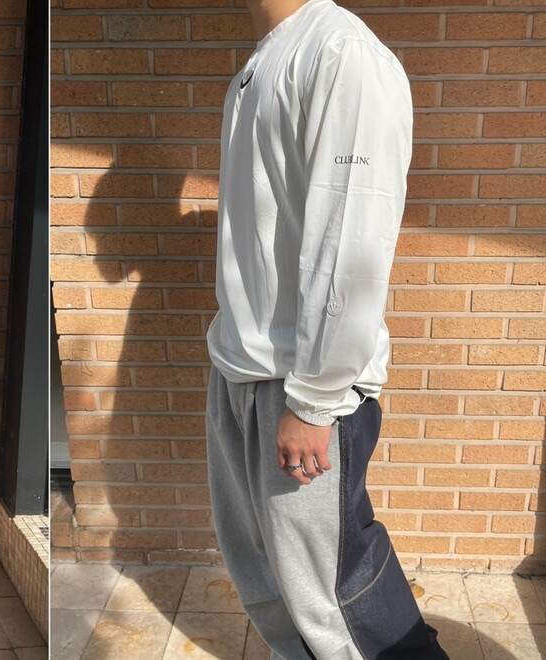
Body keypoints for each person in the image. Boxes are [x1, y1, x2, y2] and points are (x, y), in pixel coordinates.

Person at [204, 0, 448, 657]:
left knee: (337, 596)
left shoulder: (342, 56)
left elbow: (351, 242)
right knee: (268, 579)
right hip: (243, 366)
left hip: (301, 384)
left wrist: (314, 401)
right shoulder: (262, 62)